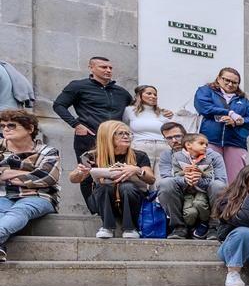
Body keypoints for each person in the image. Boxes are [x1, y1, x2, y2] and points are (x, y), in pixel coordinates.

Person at [53, 56, 132, 207]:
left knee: (118, 171)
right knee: (87, 174)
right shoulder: (78, 86)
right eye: (103, 67)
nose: (108, 70)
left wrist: (160, 111)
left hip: (116, 140)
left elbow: (136, 110)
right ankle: (95, 210)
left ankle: (116, 209)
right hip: (89, 138)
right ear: (91, 68)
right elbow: (59, 105)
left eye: (110, 68)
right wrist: (76, 125)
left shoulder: (121, 92)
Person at [68, 120, 154, 239]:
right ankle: (107, 227)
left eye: (128, 134)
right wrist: (80, 172)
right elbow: (73, 179)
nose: (126, 136)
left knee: (127, 186)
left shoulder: (139, 155)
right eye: (120, 133)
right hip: (102, 199)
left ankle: (130, 228)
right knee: (105, 186)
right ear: (108, 136)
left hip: (132, 199)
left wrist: (137, 170)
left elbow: (151, 179)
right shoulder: (91, 156)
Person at [0, 110, 60, 263]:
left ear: (30, 129)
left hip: (39, 196)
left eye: (12, 125)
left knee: (21, 210)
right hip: (4, 195)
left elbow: (46, 178)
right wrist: (26, 174)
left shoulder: (48, 151)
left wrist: (6, 174)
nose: (6, 129)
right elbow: (35, 175)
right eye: (3, 126)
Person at [194, 67, 249, 181]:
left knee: (236, 179)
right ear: (219, 78)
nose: (230, 84)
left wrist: (238, 121)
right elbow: (204, 108)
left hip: (235, 143)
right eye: (226, 80)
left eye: (234, 82)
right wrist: (229, 113)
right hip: (210, 141)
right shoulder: (206, 91)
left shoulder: (243, 100)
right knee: (210, 177)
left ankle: (233, 199)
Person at [168, 133, 224, 239]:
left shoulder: (208, 159)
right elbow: (173, 177)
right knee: (190, 213)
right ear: (188, 145)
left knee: (200, 204)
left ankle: (209, 226)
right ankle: (183, 229)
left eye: (206, 145)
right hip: (185, 193)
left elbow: (211, 179)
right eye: (201, 143)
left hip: (202, 192)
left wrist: (200, 176)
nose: (205, 147)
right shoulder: (177, 157)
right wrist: (185, 177)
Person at [123, 84, 175, 168]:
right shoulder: (129, 110)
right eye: (149, 93)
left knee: (162, 178)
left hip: (163, 147)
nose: (153, 96)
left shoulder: (162, 113)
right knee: (143, 177)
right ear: (138, 96)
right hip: (140, 146)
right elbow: (124, 127)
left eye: (155, 94)